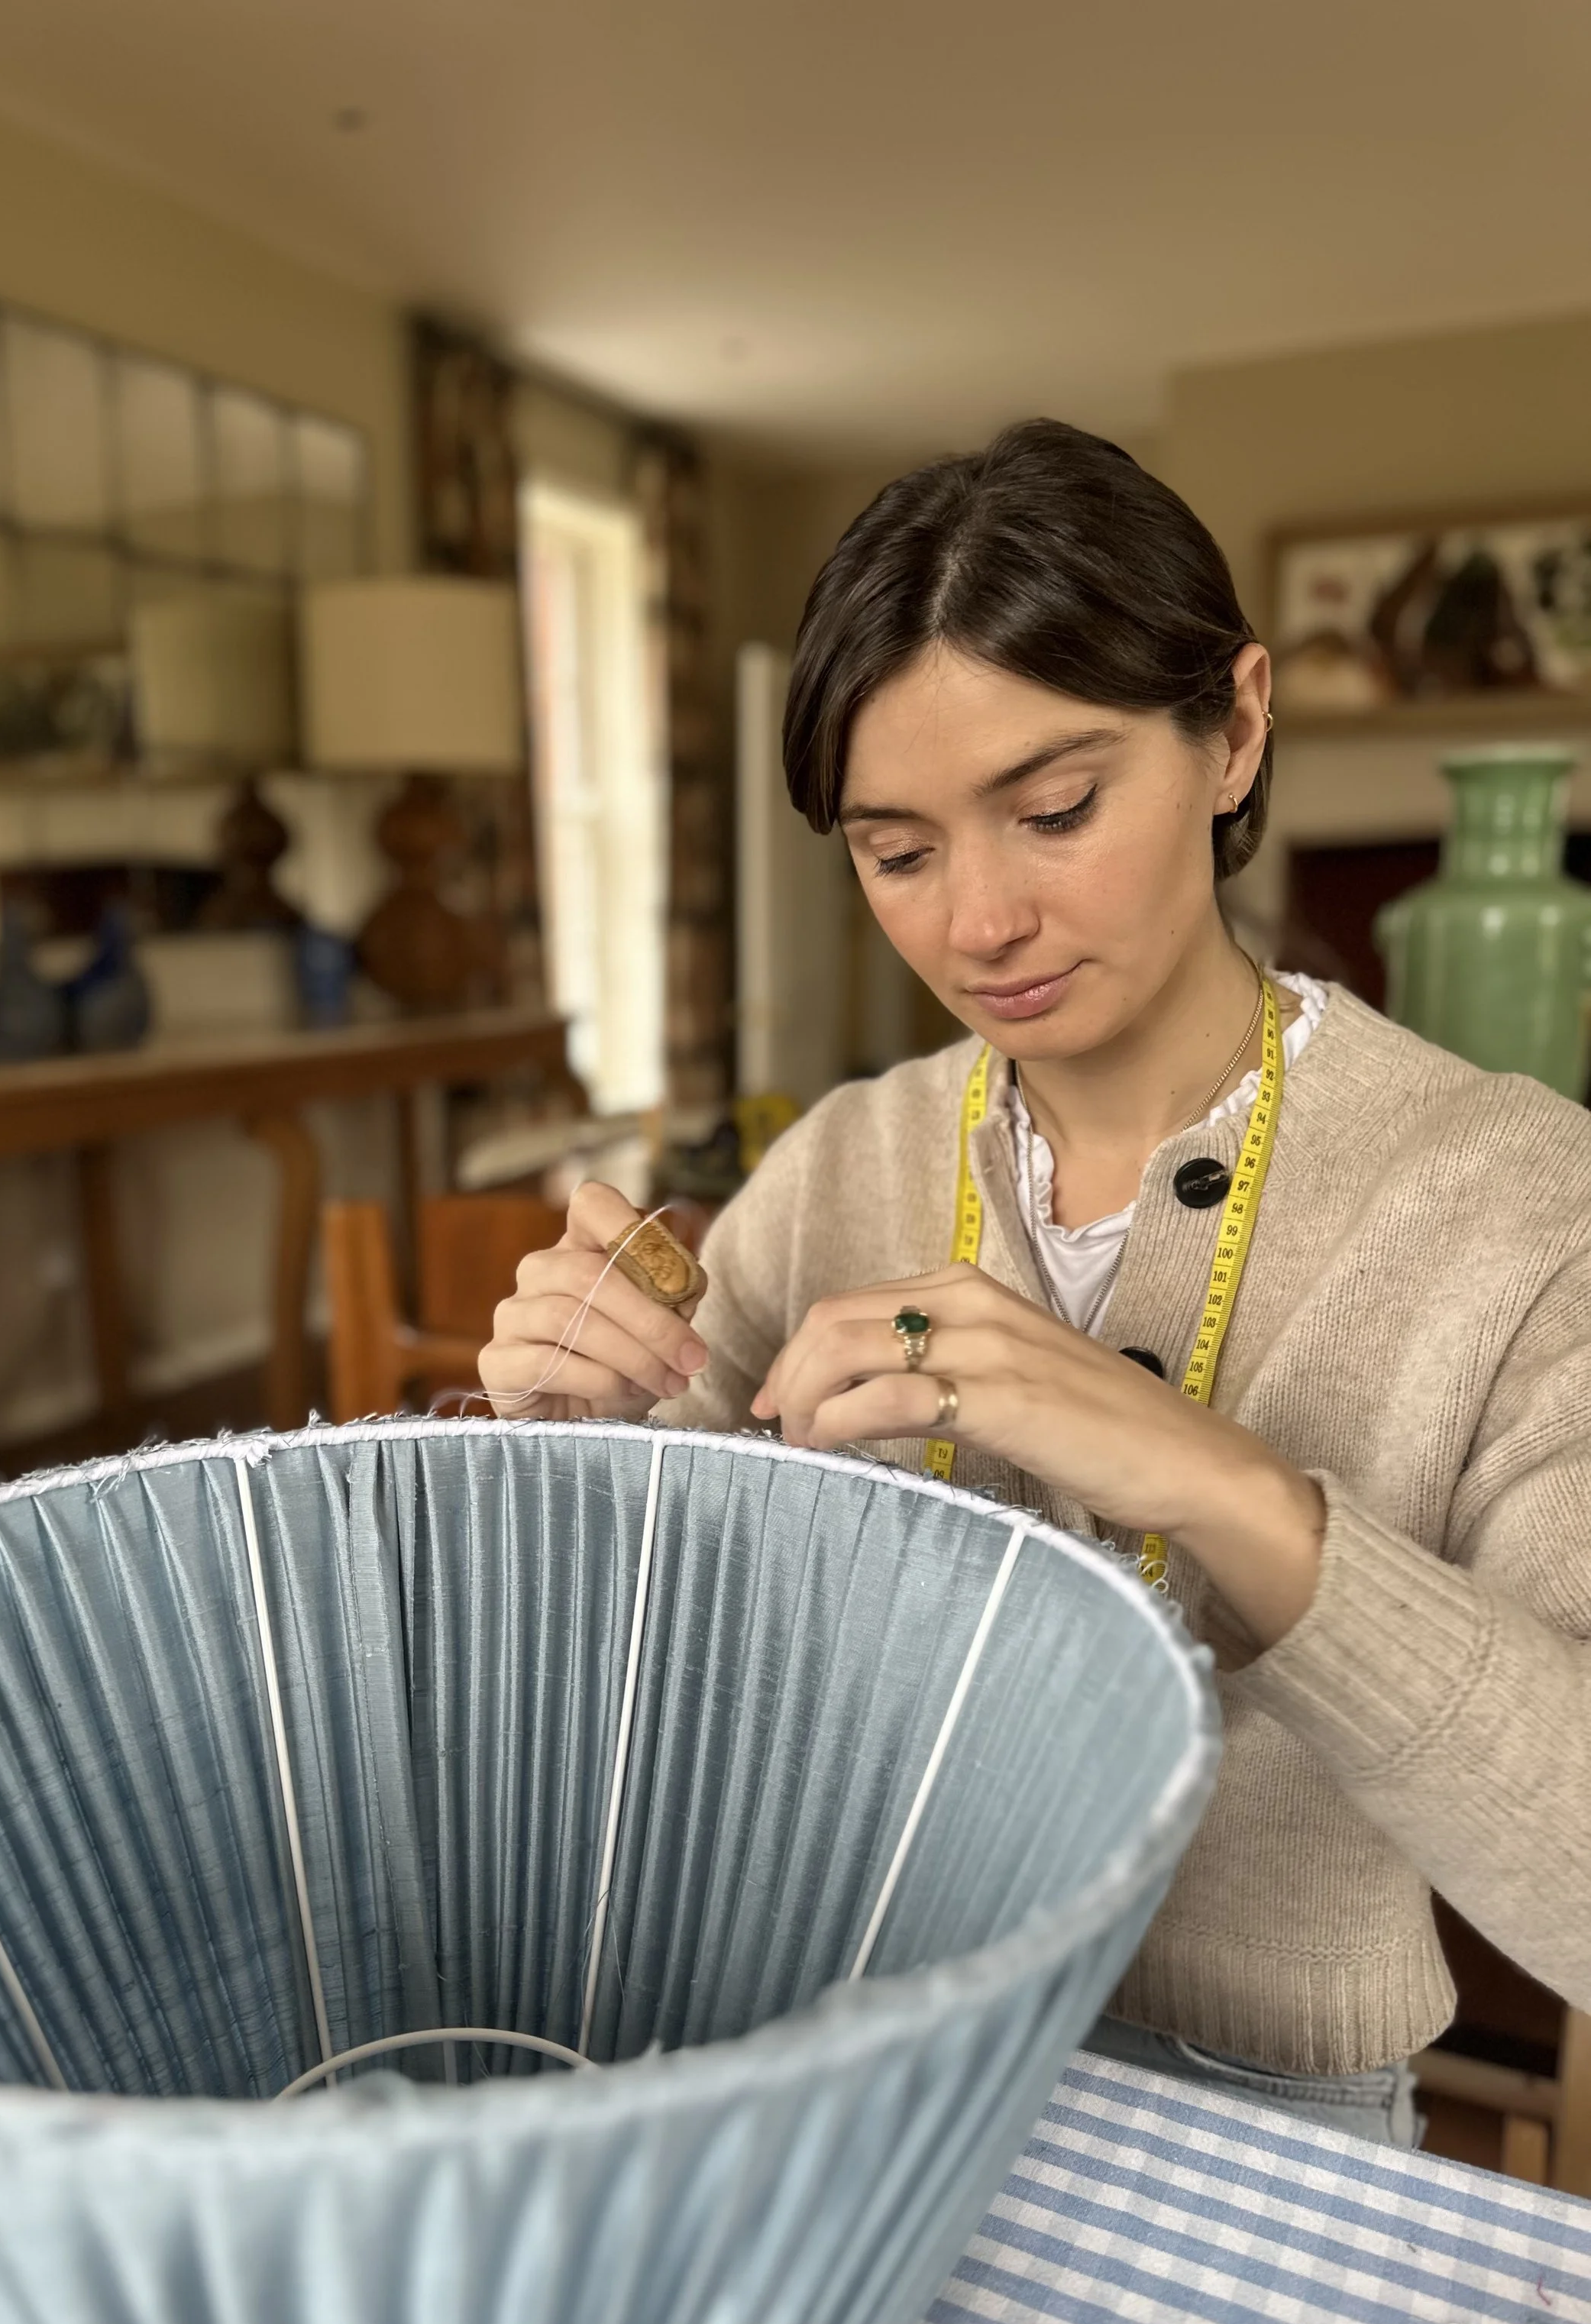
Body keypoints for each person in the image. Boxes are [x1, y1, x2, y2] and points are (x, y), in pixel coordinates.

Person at [479, 419, 1591, 2145]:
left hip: (1262, 2119)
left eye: (1053, 807)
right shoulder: (834, 1165)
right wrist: (557, 1426)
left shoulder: (1514, 1205)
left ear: (1231, 730)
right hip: (838, 2031)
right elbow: (610, 1656)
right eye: (896, 851)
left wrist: (1224, 1487)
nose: (978, 919)